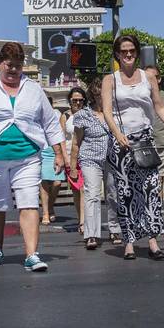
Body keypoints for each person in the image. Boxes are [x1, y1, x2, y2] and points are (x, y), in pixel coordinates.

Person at [0, 42, 65, 271]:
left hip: (27, 157)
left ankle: (32, 254)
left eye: (18, 66)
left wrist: (59, 153)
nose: (13, 70)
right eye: (9, 65)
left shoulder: (34, 89)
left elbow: (50, 123)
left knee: (29, 203)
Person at [101, 35, 164, 260]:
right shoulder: (109, 80)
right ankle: (129, 241)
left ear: (137, 53)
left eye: (132, 50)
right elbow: (106, 110)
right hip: (121, 141)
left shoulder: (148, 77)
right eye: (124, 51)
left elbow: (159, 106)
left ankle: (153, 240)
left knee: (151, 189)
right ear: (117, 55)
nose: (128, 54)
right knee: (125, 192)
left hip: (146, 139)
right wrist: (117, 134)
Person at [70, 79, 112, 250]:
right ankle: (91, 234)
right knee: (92, 195)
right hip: (90, 159)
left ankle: (114, 230)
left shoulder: (115, 113)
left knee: (113, 195)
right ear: (93, 96)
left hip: (111, 159)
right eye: (97, 95)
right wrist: (73, 167)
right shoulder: (83, 115)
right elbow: (75, 143)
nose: (101, 98)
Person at [144, 63, 164, 204]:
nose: (151, 79)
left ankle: (158, 212)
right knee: (146, 181)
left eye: (154, 76)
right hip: (143, 145)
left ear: (159, 79)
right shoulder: (140, 95)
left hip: (162, 143)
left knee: (159, 180)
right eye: (147, 76)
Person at [39, 94, 66, 225]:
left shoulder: (56, 114)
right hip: (42, 151)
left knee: (57, 183)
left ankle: (50, 206)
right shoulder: (35, 114)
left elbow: (59, 133)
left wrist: (61, 153)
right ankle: (45, 213)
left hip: (55, 151)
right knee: (44, 182)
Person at [65, 87, 87, 233]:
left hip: (85, 156)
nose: (77, 103)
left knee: (83, 189)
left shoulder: (87, 115)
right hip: (70, 156)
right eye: (75, 100)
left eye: (80, 100)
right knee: (75, 191)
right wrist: (64, 158)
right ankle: (80, 218)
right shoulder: (65, 116)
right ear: (70, 101)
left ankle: (84, 222)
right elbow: (61, 138)